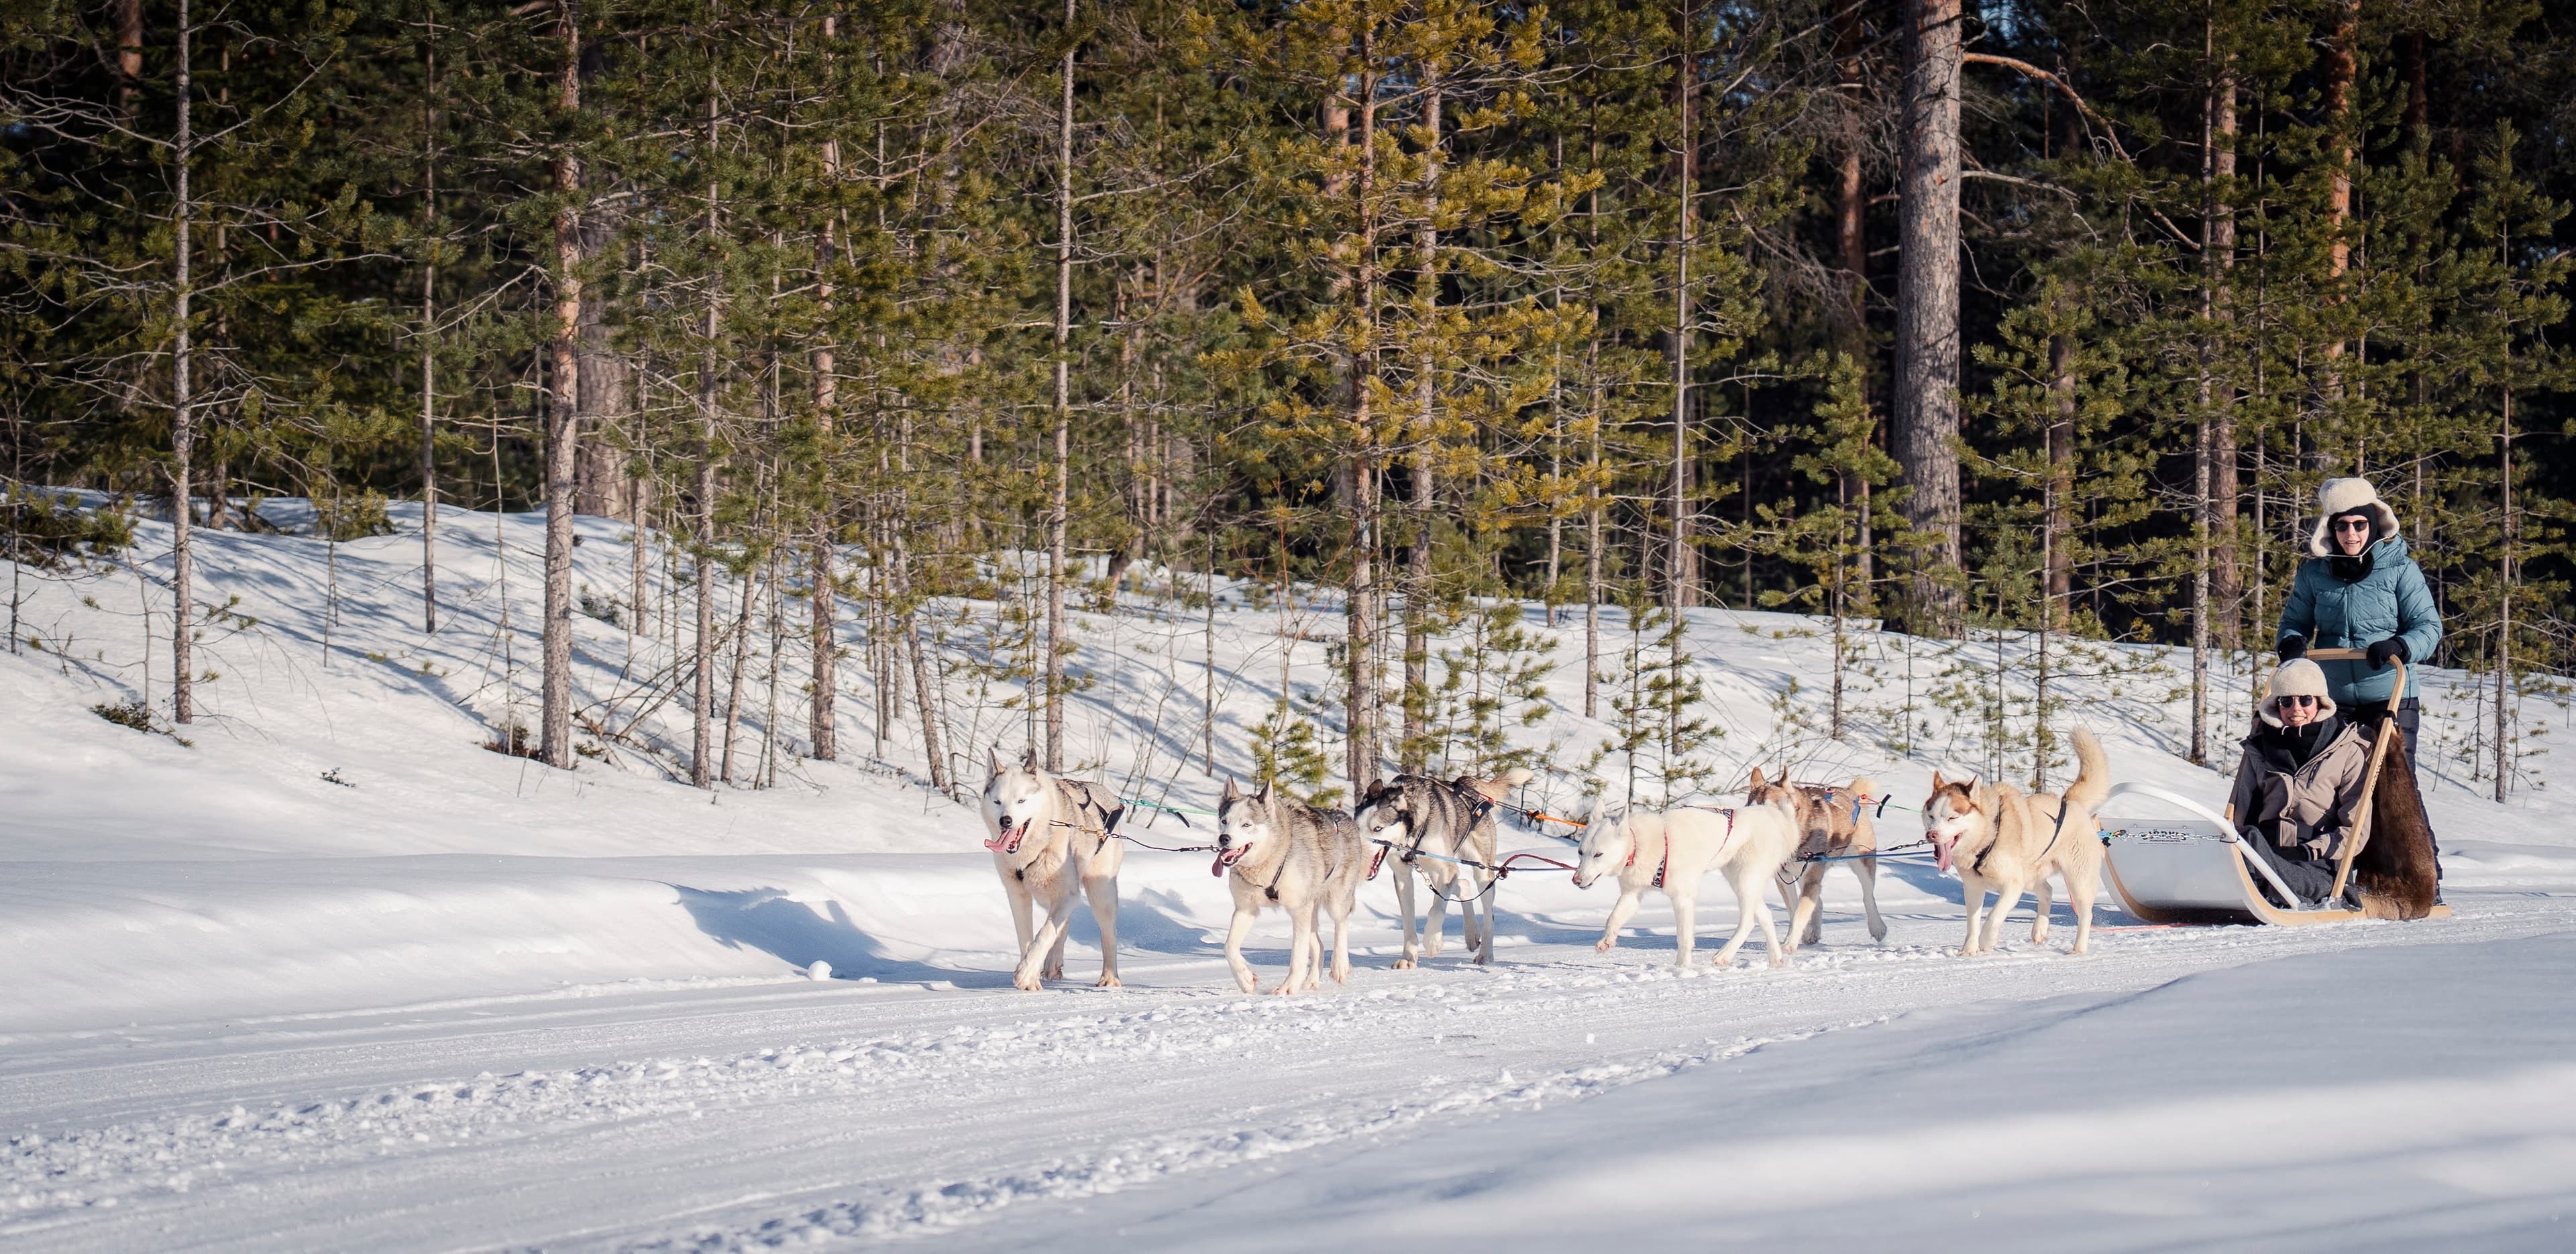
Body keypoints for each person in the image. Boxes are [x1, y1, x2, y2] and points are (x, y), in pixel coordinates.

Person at [2275, 477, 2442, 762]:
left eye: (2359, 525)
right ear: (2331, 528)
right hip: (2333, 698)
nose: (2350, 533)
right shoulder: (2314, 573)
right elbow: (2294, 621)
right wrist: (2291, 642)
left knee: (2394, 788)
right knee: (2330, 783)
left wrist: (2399, 646)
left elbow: (2428, 627)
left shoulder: (2401, 569)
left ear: (2373, 524)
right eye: (2342, 525)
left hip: (2390, 695)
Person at [2226, 659, 2369, 909]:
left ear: (2321, 703)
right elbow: (2241, 813)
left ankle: (2259, 882)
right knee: (2244, 841)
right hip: (2265, 850)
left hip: (2319, 866)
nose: (2296, 709)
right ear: (2276, 704)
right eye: (2286, 701)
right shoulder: (2259, 748)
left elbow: (2355, 831)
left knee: (2262, 860)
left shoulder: (2348, 752)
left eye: (2305, 700)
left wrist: (2308, 851)